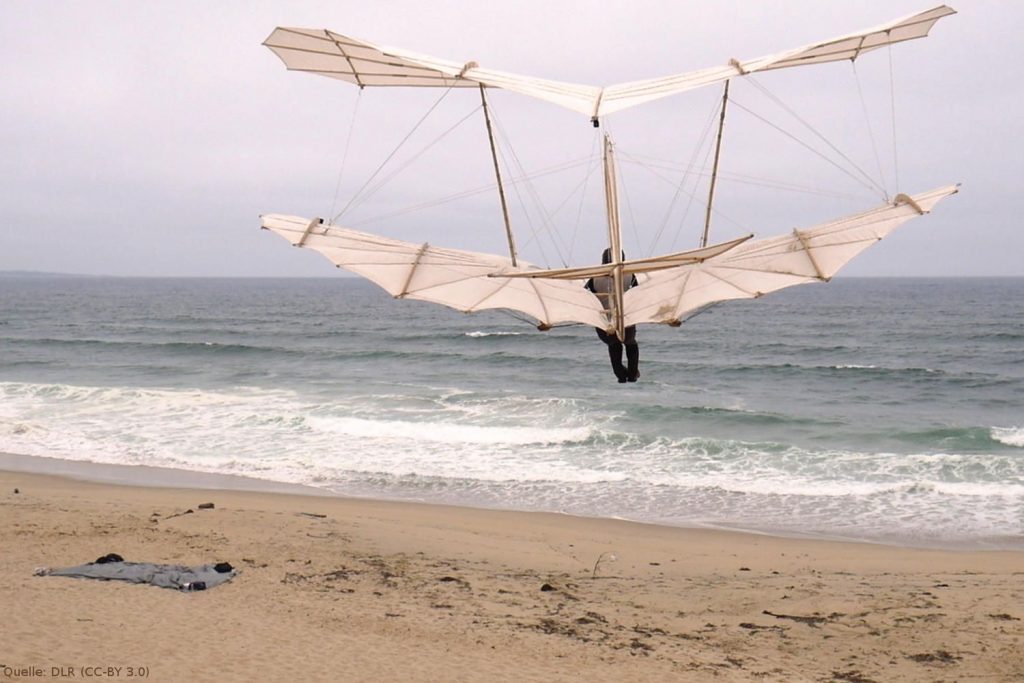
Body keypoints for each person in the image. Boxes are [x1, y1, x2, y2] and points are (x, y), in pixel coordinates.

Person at [585, 248, 640, 383]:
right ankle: (632, 374)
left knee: (614, 345)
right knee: (630, 343)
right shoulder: (630, 275)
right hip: (625, 319)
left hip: (605, 321)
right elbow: (638, 293)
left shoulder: (594, 278)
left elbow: (586, 294)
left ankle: (621, 375)